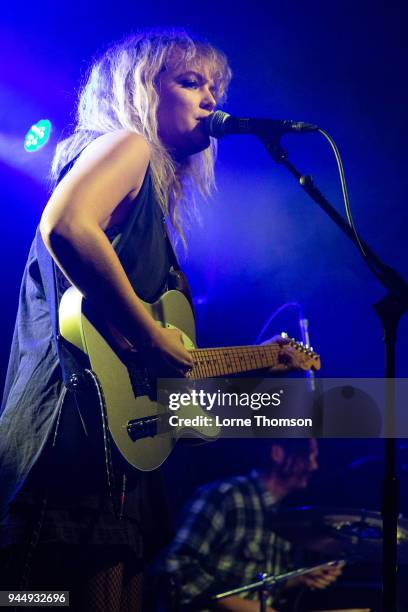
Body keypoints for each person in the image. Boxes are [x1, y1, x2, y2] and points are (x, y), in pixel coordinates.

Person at [0, 29, 231, 611]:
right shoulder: (126, 145)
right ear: (138, 91)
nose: (210, 99)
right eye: (190, 81)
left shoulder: (151, 198)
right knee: (37, 599)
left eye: (215, 87)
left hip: (109, 441)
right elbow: (66, 226)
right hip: (70, 435)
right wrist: (154, 337)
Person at [161, 439, 344, 611]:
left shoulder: (283, 514)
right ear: (277, 453)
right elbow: (174, 564)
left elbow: (253, 580)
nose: (314, 466)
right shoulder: (226, 496)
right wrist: (242, 606)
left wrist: (299, 578)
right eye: (308, 456)